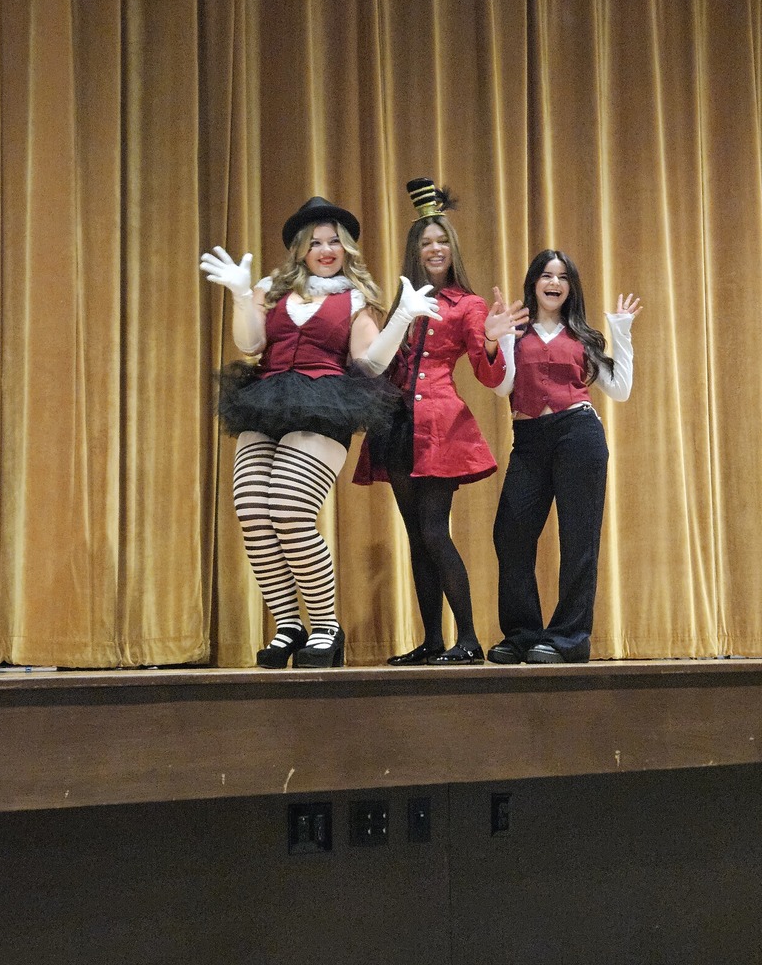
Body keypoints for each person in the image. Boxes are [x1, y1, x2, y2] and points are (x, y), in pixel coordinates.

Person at [200, 197, 438, 669]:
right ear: (300, 250)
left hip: (325, 403)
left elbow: (369, 363)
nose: (326, 250)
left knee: (289, 507)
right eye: (315, 243)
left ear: (346, 249)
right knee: (251, 508)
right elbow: (249, 344)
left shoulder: (354, 298)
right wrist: (242, 296)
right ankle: (289, 626)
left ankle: (327, 627)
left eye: (334, 242)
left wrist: (403, 319)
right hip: (266, 399)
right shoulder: (271, 289)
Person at [354, 178, 528, 665]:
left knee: (434, 532)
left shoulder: (468, 304)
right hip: (394, 425)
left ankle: (468, 637)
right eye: (426, 242)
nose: (435, 248)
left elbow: (487, 372)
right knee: (415, 536)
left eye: (442, 240)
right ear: (415, 250)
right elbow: (382, 363)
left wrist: (494, 339)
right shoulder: (403, 300)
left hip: (438, 426)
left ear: (453, 248)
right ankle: (432, 640)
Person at [486, 248, 642, 665]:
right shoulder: (516, 332)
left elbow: (620, 390)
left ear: (571, 287)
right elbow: (502, 388)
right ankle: (522, 634)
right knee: (510, 535)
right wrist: (495, 337)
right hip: (530, 439)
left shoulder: (584, 337)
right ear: (533, 283)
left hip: (579, 436)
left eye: (563, 277)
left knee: (579, 541)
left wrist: (621, 331)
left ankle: (569, 638)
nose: (554, 283)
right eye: (546, 275)